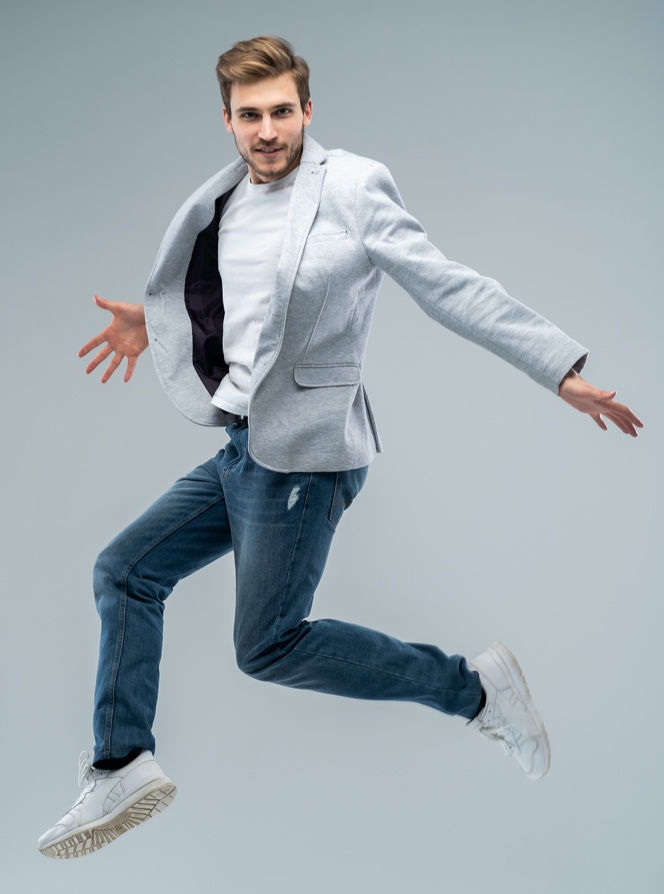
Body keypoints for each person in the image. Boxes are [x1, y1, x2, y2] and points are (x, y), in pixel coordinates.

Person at [38, 36, 642, 860]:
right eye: (250, 116)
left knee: (268, 646)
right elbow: (238, 304)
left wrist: (560, 369)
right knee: (124, 570)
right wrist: (157, 324)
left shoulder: (351, 188)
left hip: (308, 459)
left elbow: (447, 283)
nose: (268, 130)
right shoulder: (222, 203)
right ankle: (121, 762)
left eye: (282, 111)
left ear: (308, 110)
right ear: (227, 121)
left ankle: (473, 690)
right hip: (244, 447)